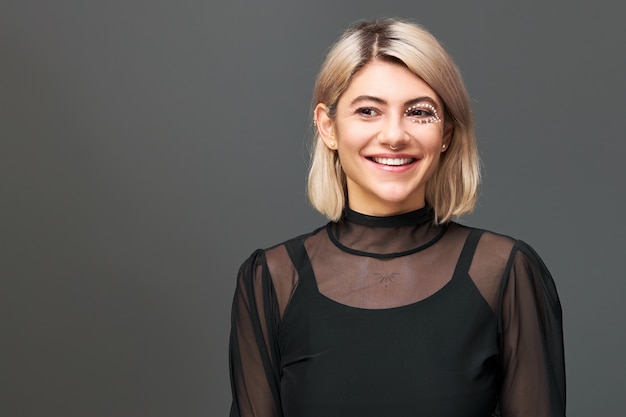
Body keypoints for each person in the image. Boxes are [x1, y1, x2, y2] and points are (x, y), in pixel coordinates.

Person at [228, 18, 566, 417]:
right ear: (328, 126)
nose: (394, 135)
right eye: (368, 110)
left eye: (419, 112)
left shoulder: (505, 274)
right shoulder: (271, 281)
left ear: (447, 134)